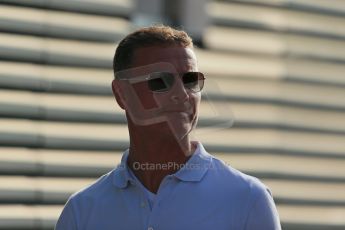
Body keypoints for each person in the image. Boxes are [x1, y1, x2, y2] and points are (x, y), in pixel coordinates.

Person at [55, 25, 281, 230]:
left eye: (190, 80)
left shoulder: (248, 199)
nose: (182, 95)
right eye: (161, 81)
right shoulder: (82, 211)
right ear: (121, 94)